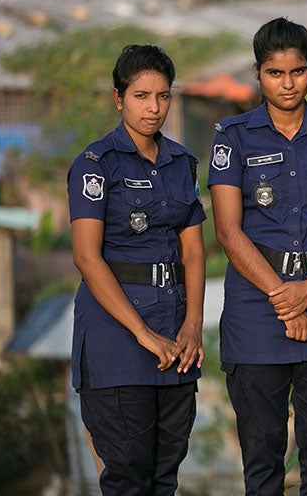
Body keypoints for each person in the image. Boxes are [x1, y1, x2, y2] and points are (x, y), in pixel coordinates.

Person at [208, 17, 307, 495]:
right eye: (275, 73)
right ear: (258, 74)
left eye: (297, 72)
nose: (287, 83)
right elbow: (227, 230)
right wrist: (284, 297)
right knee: (262, 462)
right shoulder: (232, 137)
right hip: (258, 308)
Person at [68, 44, 206, 496]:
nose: (153, 108)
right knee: (129, 476)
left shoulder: (182, 163)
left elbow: (193, 253)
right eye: (141, 96)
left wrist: (192, 326)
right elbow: (87, 258)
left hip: (175, 335)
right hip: (117, 341)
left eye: (163, 96)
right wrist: (144, 335)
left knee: (165, 476)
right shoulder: (96, 165)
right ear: (118, 98)